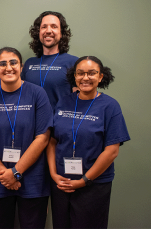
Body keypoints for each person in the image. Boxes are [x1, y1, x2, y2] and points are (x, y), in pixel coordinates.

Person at [0, 47, 53, 229]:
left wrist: (15, 172)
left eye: (13, 62)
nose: (8, 68)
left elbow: (42, 138)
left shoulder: (37, 94)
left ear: (21, 66)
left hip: (32, 177)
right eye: (2, 64)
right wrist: (5, 174)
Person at [47, 56, 130, 228]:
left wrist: (84, 180)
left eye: (92, 73)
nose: (85, 78)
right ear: (74, 77)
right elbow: (52, 141)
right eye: (80, 73)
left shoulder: (110, 106)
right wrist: (54, 174)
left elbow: (112, 151)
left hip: (93, 185)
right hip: (61, 183)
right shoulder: (64, 102)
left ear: (100, 77)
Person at [21, 11, 78, 109]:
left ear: (61, 33)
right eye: (44, 27)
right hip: (32, 122)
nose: (48, 31)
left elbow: (79, 100)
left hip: (59, 122)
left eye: (54, 26)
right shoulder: (29, 63)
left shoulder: (73, 63)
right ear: (38, 32)